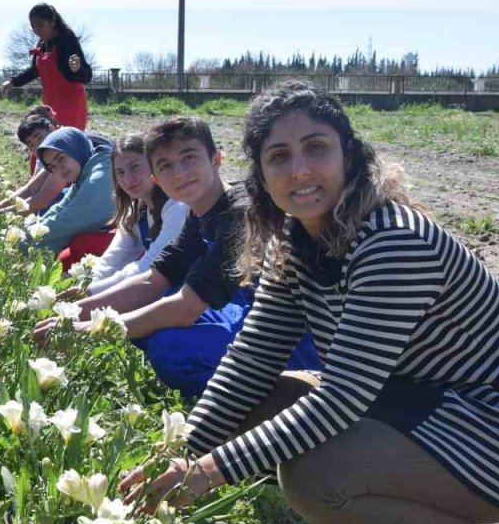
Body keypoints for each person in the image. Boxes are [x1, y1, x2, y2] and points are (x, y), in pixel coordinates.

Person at [121, 82, 499, 524]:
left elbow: (343, 397)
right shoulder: (292, 243)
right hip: (419, 405)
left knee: (314, 478)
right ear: (260, 177)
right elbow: (250, 362)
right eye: (278, 156)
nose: (299, 170)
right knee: (257, 401)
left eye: (316, 148)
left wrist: (206, 472)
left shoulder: (391, 242)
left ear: (350, 157)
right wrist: (179, 455)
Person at [37, 117, 317, 397]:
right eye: (166, 166)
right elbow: (153, 280)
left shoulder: (240, 214)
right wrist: (72, 313)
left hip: (296, 334)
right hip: (249, 309)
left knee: (170, 348)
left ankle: (270, 393)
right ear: (157, 179)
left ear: (216, 159)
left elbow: (186, 308)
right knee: (154, 307)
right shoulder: (198, 212)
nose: (180, 173)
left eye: (189, 158)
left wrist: (84, 330)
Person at [84, 133, 188, 296]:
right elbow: (113, 259)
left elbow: (148, 265)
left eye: (135, 167)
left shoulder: (177, 206)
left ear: (154, 164)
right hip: (161, 284)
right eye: (120, 172)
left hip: (194, 292)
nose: (128, 179)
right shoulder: (136, 210)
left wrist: (91, 292)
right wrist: (86, 286)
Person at [26, 126, 116, 270]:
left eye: (61, 158)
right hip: (122, 231)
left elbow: (70, 221)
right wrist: (28, 231)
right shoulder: (86, 165)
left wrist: (22, 244)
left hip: (144, 239)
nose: (59, 169)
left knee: (80, 245)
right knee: (65, 260)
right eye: (52, 167)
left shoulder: (101, 174)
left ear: (74, 148)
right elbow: (60, 208)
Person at [0, 3, 92, 130]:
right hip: (49, 105)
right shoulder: (43, 44)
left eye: (40, 25)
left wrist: (77, 69)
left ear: (52, 21)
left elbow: (87, 75)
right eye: (33, 27)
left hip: (71, 106)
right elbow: (34, 71)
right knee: (47, 142)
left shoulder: (67, 39)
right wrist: (13, 82)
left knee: (66, 144)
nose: (37, 30)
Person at [0, 107, 68, 217]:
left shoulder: (64, 148)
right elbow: (32, 188)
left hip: (94, 202)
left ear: (51, 129)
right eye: (32, 144)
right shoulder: (52, 151)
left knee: (46, 210)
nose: (39, 145)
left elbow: (42, 200)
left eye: (39, 138)